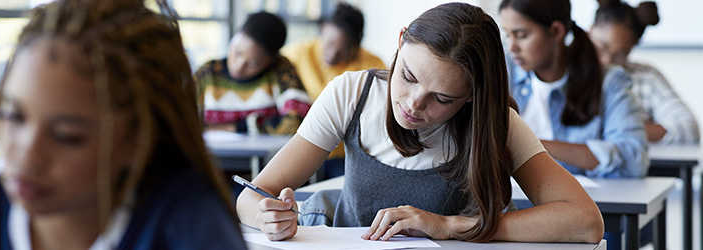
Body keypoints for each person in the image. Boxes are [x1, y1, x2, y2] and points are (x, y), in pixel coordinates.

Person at [237, 2, 603, 244]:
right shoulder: (353, 93)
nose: (413, 104)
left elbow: (586, 222)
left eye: (442, 99)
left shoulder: (495, 123)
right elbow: (252, 195)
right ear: (400, 42)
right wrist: (265, 215)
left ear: (473, 96)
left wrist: (450, 226)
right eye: (408, 76)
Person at [0, 0, 246, 249]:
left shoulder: (188, 226)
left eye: (68, 136)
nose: (27, 157)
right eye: (13, 116)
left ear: (137, 140)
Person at [499, 0, 649, 179]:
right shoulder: (501, 73)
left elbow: (634, 160)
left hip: (579, 202)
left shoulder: (609, 81)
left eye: (521, 35)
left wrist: (528, 146)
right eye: (507, 35)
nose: (511, 47)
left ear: (556, 31)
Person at [281, 2, 386, 179]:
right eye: (329, 44)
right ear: (323, 29)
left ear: (356, 45)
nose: (332, 54)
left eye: (343, 50)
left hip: (345, 156)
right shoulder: (297, 54)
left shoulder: (372, 65)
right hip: (301, 149)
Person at [590, 0, 699, 145]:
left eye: (620, 55)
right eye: (602, 47)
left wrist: (624, 129)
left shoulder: (646, 78)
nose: (607, 61)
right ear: (589, 32)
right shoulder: (565, 72)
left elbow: (688, 127)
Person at [195, 12, 311, 135]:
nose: (239, 67)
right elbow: (180, 117)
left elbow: (298, 122)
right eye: (237, 52)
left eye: (253, 64)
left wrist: (241, 127)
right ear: (233, 37)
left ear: (272, 60)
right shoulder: (207, 73)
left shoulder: (280, 70)